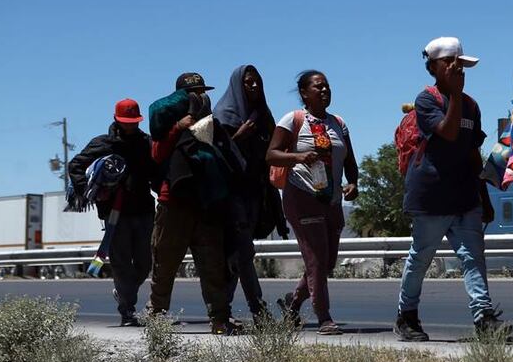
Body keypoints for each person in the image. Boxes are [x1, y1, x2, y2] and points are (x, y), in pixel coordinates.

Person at [394, 37, 507, 342]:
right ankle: (407, 316)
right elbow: (447, 131)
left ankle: (484, 317)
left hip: (464, 194)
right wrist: (455, 95)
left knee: (472, 257)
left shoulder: (471, 105)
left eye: (462, 65)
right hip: (431, 196)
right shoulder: (426, 100)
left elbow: (472, 151)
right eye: (451, 64)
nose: (459, 70)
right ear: (434, 67)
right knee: (421, 258)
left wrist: (483, 195)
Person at [147, 72, 241, 335]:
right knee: (164, 264)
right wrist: (178, 127)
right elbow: (157, 155)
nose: (199, 96)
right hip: (173, 204)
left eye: (202, 91)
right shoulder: (167, 126)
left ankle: (220, 319)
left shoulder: (212, 126)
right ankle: (156, 318)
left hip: (206, 206)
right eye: (194, 92)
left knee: (212, 265)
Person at [266, 70, 358, 335]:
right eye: (318, 87)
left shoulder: (338, 123)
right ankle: (324, 317)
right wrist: (297, 157)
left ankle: (292, 304)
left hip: (331, 199)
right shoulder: (292, 120)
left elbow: (350, 162)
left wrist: (353, 184)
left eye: (327, 86)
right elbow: (271, 155)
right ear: (304, 93)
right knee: (316, 258)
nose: (325, 91)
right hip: (302, 195)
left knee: (327, 262)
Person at [67, 99, 156, 326]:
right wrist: (93, 193)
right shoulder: (103, 143)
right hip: (115, 214)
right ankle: (127, 311)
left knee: (145, 264)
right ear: (117, 119)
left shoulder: (146, 143)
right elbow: (75, 166)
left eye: (134, 122)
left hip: (144, 210)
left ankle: (123, 293)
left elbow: (156, 173)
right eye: (126, 122)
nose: (130, 126)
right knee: (122, 263)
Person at [214, 64, 288, 324]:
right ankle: (258, 310)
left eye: (257, 81)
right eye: (248, 82)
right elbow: (217, 157)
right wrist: (238, 137)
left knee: (239, 254)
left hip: (256, 193)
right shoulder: (223, 115)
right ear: (237, 85)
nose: (254, 86)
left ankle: (222, 311)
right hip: (231, 194)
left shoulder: (263, 115)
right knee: (242, 252)